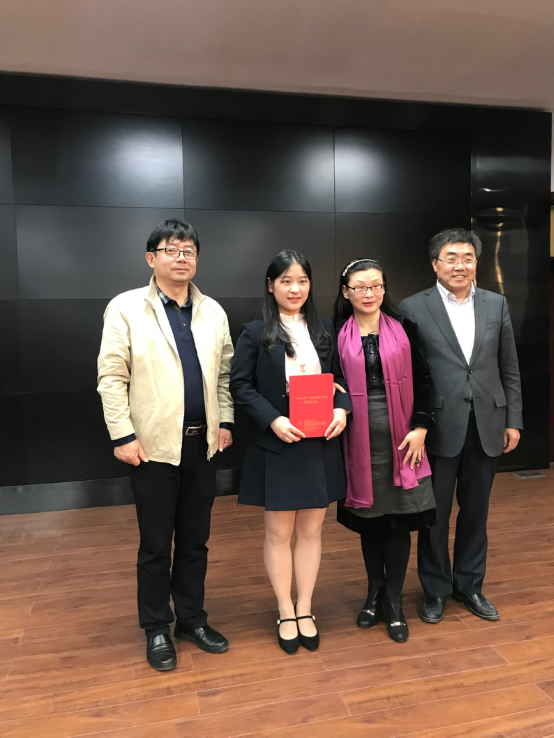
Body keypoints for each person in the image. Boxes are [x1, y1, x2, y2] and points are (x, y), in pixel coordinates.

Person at [97, 218, 234, 671]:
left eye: (189, 250)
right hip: (152, 447)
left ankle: (190, 619)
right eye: (171, 250)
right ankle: (156, 626)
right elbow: (111, 377)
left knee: (196, 542)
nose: (181, 258)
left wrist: (226, 421)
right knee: (156, 545)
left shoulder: (212, 311)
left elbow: (224, 375)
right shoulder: (126, 308)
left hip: (202, 445)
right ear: (151, 258)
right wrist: (122, 435)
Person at [399, 228, 522, 624]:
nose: (460, 265)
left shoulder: (495, 303)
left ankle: (469, 586)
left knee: (476, 512)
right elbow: (411, 373)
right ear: (435, 263)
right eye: (451, 258)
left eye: (467, 258)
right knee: (433, 514)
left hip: (488, 422)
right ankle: (435, 589)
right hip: (437, 427)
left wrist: (514, 420)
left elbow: (509, 366)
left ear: (476, 263)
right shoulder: (413, 306)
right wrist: (415, 423)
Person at [230, 250, 351, 654]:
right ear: (271, 286)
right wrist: (272, 420)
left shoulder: (326, 330)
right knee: (279, 533)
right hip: (279, 444)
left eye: (302, 280)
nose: (295, 288)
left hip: (319, 443)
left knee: (312, 532)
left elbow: (343, 381)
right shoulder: (254, 332)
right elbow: (240, 385)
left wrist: (342, 409)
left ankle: (305, 608)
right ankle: (284, 609)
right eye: (286, 281)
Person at [334, 258, 436, 643]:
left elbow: (424, 379)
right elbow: (330, 383)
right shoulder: (334, 334)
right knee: (372, 520)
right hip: (357, 442)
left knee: (399, 519)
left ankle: (394, 598)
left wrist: (421, 428)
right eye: (360, 287)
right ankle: (374, 591)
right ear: (346, 292)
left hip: (404, 439)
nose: (369, 293)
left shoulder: (405, 327)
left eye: (376, 285)